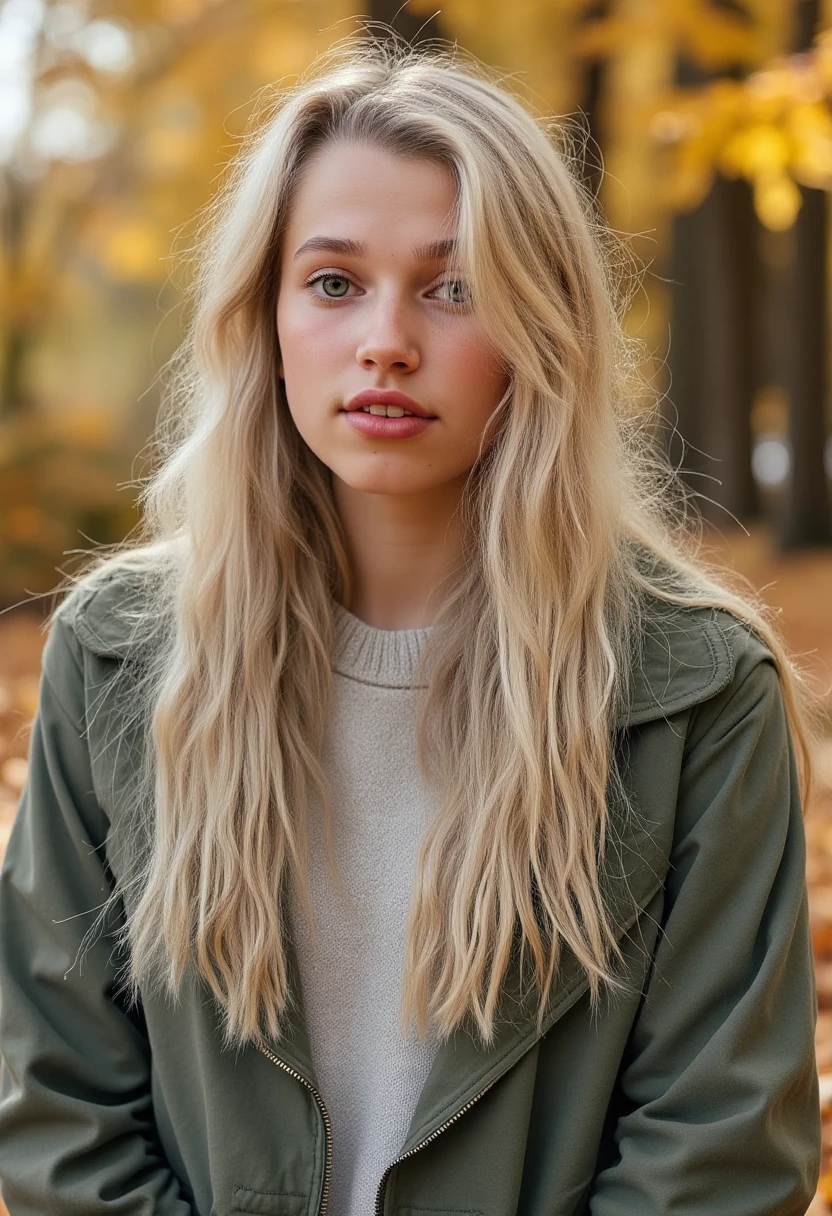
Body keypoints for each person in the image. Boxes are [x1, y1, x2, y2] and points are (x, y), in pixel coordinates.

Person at [0, 32, 821, 1216]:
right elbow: (60, 1109)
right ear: (266, 321)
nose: (387, 337)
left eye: (454, 287)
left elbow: (720, 1154)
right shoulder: (119, 659)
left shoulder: (693, 692)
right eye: (333, 282)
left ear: (539, 332)